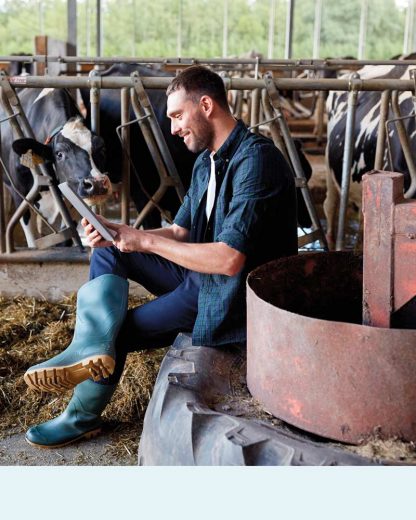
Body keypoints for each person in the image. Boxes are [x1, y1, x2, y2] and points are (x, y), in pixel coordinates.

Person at [23, 65, 298, 448]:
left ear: (205, 105)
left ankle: (81, 415)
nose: (172, 129)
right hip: (202, 278)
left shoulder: (256, 162)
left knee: (115, 330)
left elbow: (229, 260)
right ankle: (89, 345)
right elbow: (181, 232)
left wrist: (146, 243)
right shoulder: (208, 160)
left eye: (177, 115)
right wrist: (121, 233)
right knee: (109, 254)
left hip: (231, 296)